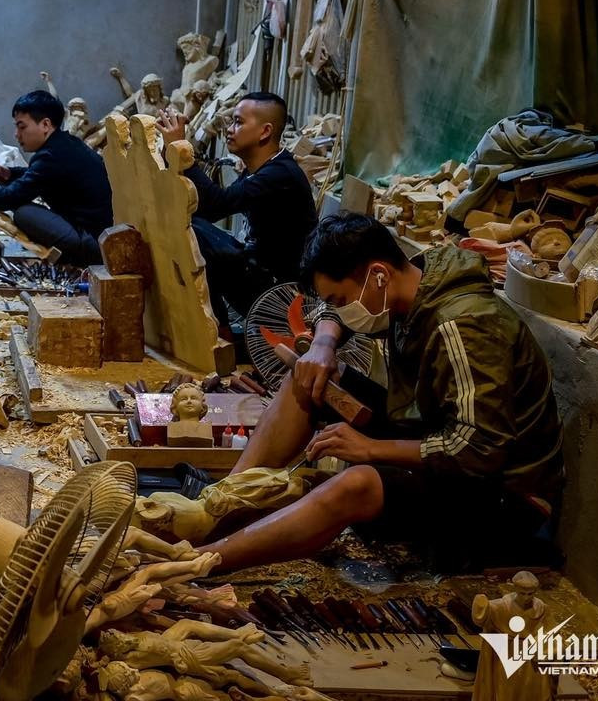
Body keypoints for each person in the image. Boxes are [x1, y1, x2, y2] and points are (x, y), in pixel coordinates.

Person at [194, 213, 564, 573]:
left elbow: (478, 449)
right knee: (307, 377)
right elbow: (331, 307)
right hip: (440, 439)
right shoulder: (417, 275)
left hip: (504, 497)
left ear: (379, 276)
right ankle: (219, 507)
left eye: (341, 300)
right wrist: (323, 343)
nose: (338, 309)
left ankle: (203, 560)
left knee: (357, 484)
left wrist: (370, 449)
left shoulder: (466, 325)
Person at [157, 91, 315, 328]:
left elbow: (214, 205)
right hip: (259, 270)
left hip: (281, 294)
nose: (229, 129)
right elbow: (206, 208)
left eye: (238, 122)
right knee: (194, 226)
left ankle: (218, 333)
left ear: (265, 131)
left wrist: (181, 149)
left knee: (199, 237)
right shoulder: (263, 168)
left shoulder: (278, 175)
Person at [0, 90, 112, 266]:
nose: (16, 134)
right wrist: (9, 173)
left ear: (45, 125)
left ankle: (74, 259)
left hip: (91, 244)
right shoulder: (65, 143)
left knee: (23, 213)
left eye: (22, 127)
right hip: (101, 237)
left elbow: (4, 199)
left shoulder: (49, 156)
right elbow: (44, 176)